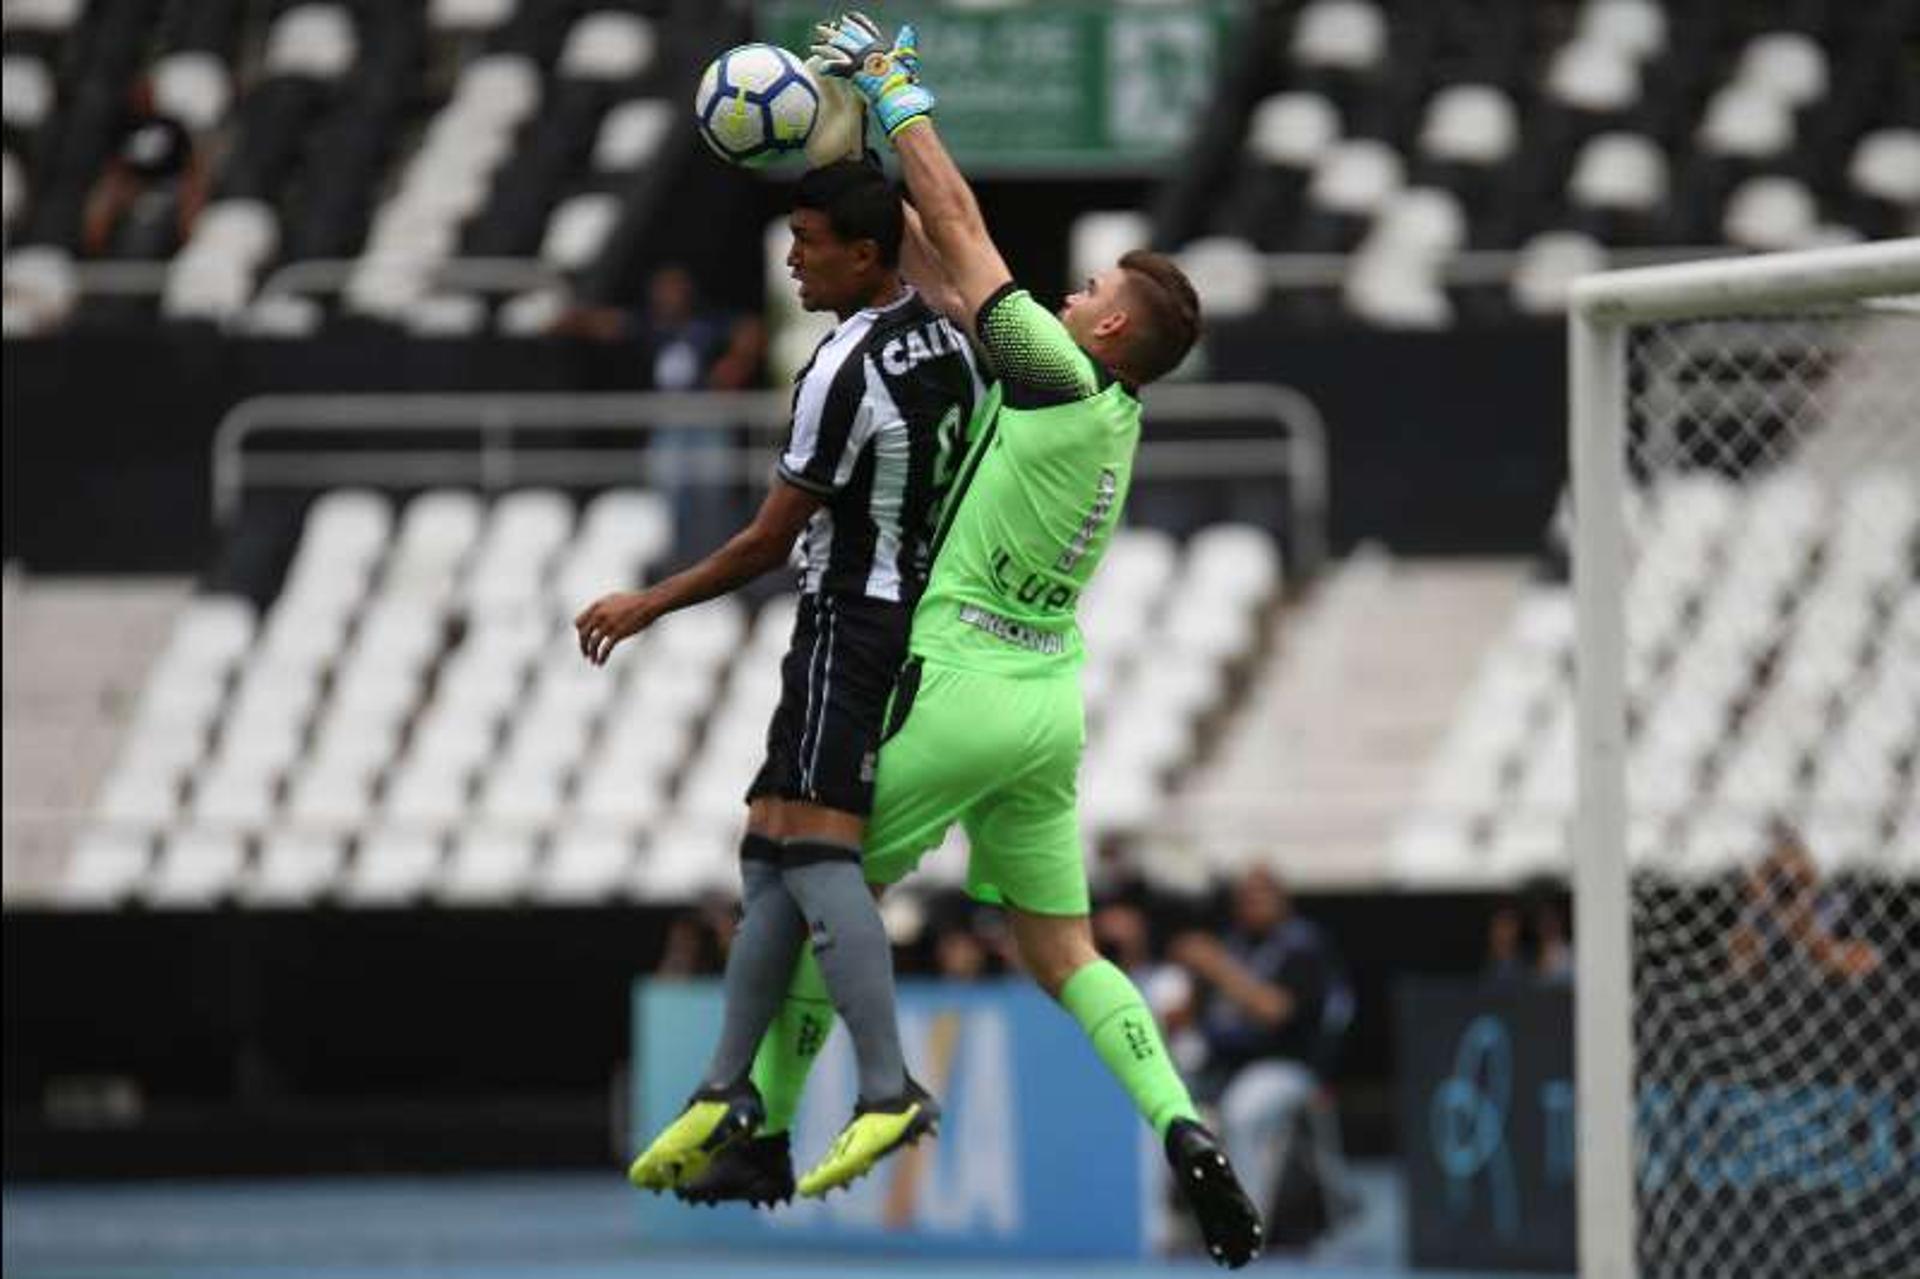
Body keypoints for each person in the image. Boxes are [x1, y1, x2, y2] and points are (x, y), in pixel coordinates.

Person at [666, 15, 1264, 1267]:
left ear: (1104, 334)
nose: (1070, 290)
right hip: (1048, 708)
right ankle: (1184, 1123)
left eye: (1091, 291)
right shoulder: (1103, 409)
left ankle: (766, 1119)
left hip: (957, 681)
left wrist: (896, 89)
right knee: (1067, 954)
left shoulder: (1055, 371)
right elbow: (945, 260)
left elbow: (966, 224)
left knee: (818, 885)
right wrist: (866, 164)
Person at [574, 156, 984, 1192]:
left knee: (814, 857)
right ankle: (735, 1103)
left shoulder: (842, 368)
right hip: (890, 619)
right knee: (765, 847)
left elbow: (765, 542)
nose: (793, 261)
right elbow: (938, 243)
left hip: (853, 625)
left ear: (864, 253)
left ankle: (888, 1086)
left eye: (809, 243)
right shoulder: (951, 331)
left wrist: (646, 602)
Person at [1169, 868, 1353, 1238]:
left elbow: (1276, 1011)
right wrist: (1189, 977)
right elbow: (1185, 1020)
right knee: (1166, 1105)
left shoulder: (1302, 947)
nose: (1251, 905)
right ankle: (1172, 1223)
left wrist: (1216, 966)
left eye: (1260, 896)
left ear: (1281, 899)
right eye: (1244, 897)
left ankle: (1244, 1225)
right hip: (1223, 1065)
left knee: (1243, 1110)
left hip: (1286, 1065)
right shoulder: (1234, 943)